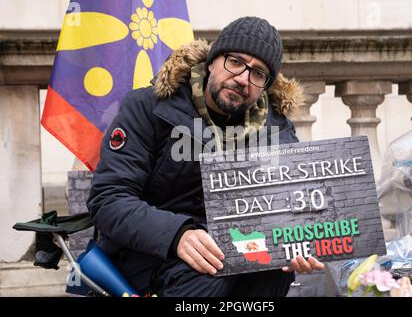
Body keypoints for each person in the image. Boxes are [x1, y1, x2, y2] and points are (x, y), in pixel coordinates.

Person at [87, 16, 324, 297]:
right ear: (212, 61)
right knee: (209, 274)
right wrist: (177, 235)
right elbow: (109, 199)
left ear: (266, 85)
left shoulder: (277, 127)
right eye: (235, 62)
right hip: (148, 255)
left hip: (239, 248)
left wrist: (297, 243)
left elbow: (292, 206)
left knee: (272, 272)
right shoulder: (147, 107)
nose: (243, 79)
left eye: (258, 74)